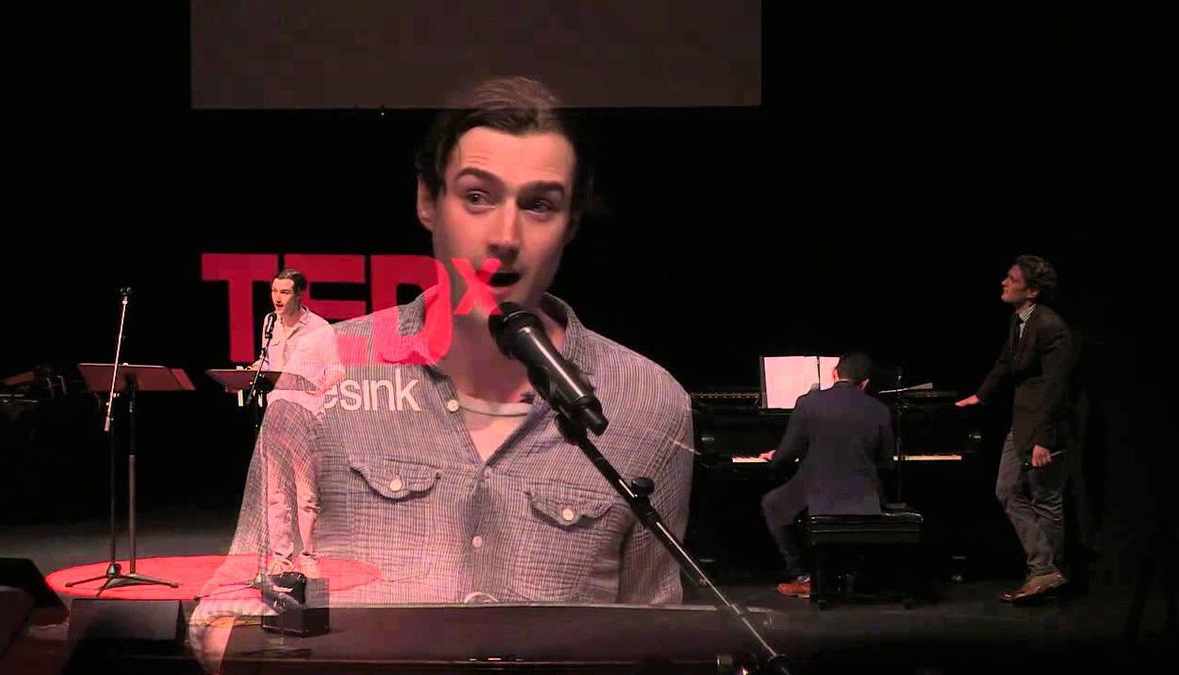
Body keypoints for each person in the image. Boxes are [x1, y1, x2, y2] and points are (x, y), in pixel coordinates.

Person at [191, 76, 694, 668]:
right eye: (477, 197)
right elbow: (235, 601)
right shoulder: (324, 365)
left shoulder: (650, 400)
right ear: (428, 202)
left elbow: (651, 641)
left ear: (572, 222)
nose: (505, 237)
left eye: (539, 204)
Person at [956, 254, 1077, 602]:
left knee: (1045, 499)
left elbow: (1057, 388)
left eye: (1012, 279)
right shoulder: (1019, 319)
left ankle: (1046, 577)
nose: (1004, 283)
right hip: (1022, 422)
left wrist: (1044, 440)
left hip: (1044, 427)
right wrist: (980, 397)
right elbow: (1005, 363)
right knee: (1007, 490)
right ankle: (1046, 570)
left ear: (1033, 291)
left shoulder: (1052, 327)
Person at [758, 352, 893, 598]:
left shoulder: (808, 403)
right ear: (865, 383)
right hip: (863, 494)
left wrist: (774, 457)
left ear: (834, 373)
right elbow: (886, 463)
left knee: (772, 505)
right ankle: (855, 573)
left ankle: (803, 577)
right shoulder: (880, 410)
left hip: (817, 489)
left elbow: (787, 454)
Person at [251, 268, 344, 576]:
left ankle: (309, 554)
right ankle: (281, 555)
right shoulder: (269, 323)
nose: (277, 298)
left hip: (304, 415)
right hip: (276, 412)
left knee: (305, 491)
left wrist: (316, 387)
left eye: (285, 292)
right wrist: (254, 369)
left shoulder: (319, 329)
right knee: (275, 491)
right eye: (275, 291)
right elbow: (268, 362)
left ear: (299, 294)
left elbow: (336, 371)